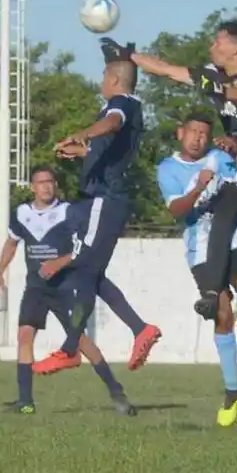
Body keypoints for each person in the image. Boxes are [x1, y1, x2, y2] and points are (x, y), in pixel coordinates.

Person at [115, 22, 237, 322]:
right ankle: (212, 293)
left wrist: (217, 87)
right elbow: (166, 70)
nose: (211, 47)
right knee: (223, 218)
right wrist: (130, 56)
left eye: (218, 41)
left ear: (236, 47)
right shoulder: (210, 74)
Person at [31, 42, 161, 376]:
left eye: (104, 76)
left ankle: (70, 348)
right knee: (92, 273)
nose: (101, 82)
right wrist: (84, 151)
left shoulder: (120, 104)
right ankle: (139, 329)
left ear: (115, 79)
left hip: (105, 200)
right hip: (99, 200)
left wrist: (83, 132)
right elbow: (109, 146)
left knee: (84, 271)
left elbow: (114, 123)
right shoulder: (122, 106)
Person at [156, 111, 237, 427]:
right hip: (201, 246)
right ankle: (232, 391)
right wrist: (196, 191)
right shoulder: (168, 169)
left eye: (204, 133)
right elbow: (176, 211)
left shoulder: (221, 157)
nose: (198, 138)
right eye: (192, 131)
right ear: (181, 133)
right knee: (222, 313)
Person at [0, 165, 137, 415]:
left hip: (66, 287)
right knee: (24, 336)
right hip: (36, 288)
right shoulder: (22, 213)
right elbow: (12, 243)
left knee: (81, 342)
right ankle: (25, 401)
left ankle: (117, 392)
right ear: (32, 187)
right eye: (41, 182)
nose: (46, 186)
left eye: (50, 181)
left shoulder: (70, 212)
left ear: (55, 185)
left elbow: (86, 247)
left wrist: (61, 261)